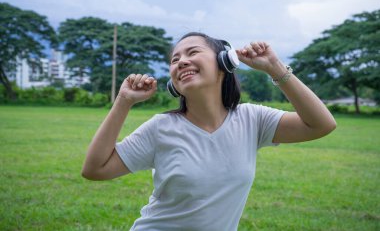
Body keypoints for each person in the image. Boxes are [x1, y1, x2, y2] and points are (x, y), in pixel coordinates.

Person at [82, 32, 337, 230]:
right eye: (175, 59)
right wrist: (123, 101)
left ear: (224, 63)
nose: (182, 61)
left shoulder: (252, 119)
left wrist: (274, 67)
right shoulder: (161, 128)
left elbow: (321, 124)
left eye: (192, 52)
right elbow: (95, 169)